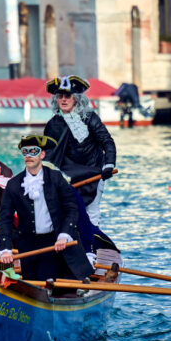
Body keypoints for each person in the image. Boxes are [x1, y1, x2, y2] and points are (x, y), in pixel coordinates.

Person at [0, 134, 94, 284]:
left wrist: (64, 235)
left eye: (33, 151)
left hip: (54, 242)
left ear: (42, 154)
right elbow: (5, 218)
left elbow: (72, 208)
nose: (28, 156)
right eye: (25, 152)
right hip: (27, 245)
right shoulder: (13, 184)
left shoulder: (56, 178)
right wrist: (5, 247)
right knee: (31, 283)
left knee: (48, 280)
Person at [43, 75, 116, 227]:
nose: (63, 100)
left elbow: (107, 141)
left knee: (92, 212)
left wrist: (109, 164)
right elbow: (48, 156)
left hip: (95, 173)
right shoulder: (52, 124)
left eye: (67, 96)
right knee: (69, 212)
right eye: (60, 96)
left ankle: (92, 243)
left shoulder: (90, 118)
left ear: (75, 98)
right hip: (68, 176)